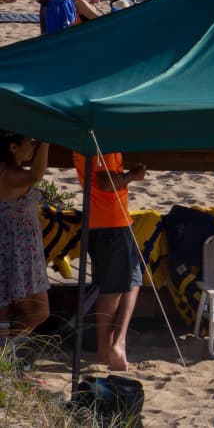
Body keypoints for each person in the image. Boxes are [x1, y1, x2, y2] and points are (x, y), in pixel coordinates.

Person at [74, 149, 148, 370]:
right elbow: (105, 183)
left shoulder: (94, 143)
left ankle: (112, 346)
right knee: (113, 290)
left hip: (107, 222)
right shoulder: (100, 146)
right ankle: (110, 348)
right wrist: (133, 175)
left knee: (132, 279)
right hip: (110, 223)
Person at [0, 131, 51, 336]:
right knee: (37, 311)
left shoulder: (11, 171)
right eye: (31, 143)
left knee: (9, 310)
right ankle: (7, 354)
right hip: (13, 249)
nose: (34, 147)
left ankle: (7, 355)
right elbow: (35, 176)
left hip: (20, 249)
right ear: (13, 147)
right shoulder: (7, 174)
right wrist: (46, 142)